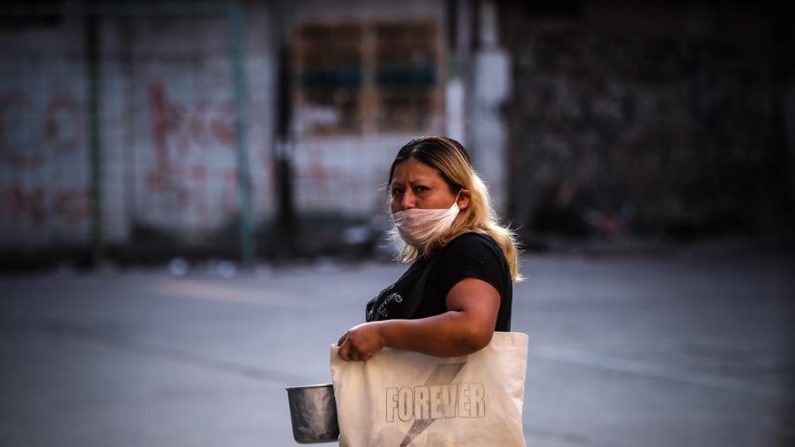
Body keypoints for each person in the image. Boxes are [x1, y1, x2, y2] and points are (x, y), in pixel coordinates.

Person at [337, 136, 521, 361]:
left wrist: (382, 333)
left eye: (421, 189)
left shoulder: (469, 248)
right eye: (397, 191)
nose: (406, 202)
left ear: (461, 199)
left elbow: (472, 329)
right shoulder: (437, 255)